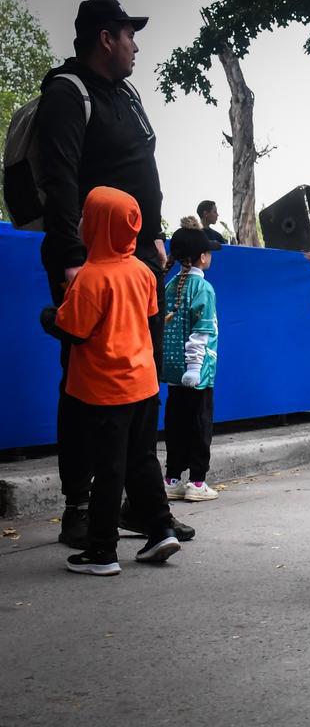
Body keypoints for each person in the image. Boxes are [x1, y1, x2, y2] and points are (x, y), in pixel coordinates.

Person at [35, 0, 193, 548]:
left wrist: (153, 233)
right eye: (130, 34)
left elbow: (138, 168)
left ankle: (141, 506)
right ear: (106, 37)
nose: (136, 45)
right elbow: (58, 182)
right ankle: (79, 506)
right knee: (86, 387)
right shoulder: (66, 94)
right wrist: (74, 261)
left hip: (137, 259)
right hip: (88, 264)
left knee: (140, 383)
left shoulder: (124, 93)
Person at [39, 187, 181, 574]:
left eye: (87, 215)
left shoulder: (91, 278)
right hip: (143, 385)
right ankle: (160, 528)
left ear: (99, 225)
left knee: (107, 469)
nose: (82, 222)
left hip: (105, 391)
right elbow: (148, 314)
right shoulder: (143, 271)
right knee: (143, 459)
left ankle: (101, 551)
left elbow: (76, 330)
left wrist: (49, 316)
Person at [161, 217, 221, 502]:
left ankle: (172, 478)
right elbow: (203, 330)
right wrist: (196, 368)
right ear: (201, 257)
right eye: (208, 252)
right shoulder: (203, 289)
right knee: (200, 425)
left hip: (173, 372)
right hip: (198, 375)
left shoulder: (170, 286)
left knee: (176, 424)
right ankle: (197, 482)